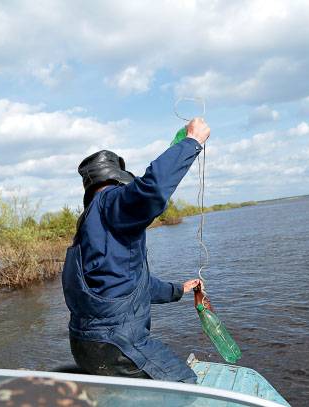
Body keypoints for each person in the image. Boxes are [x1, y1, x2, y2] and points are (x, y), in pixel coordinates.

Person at [61, 117, 210, 384]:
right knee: (186, 387)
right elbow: (151, 191)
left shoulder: (88, 226)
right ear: (118, 181)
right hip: (118, 345)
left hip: (83, 346)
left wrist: (179, 290)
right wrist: (192, 142)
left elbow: (127, 288)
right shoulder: (110, 201)